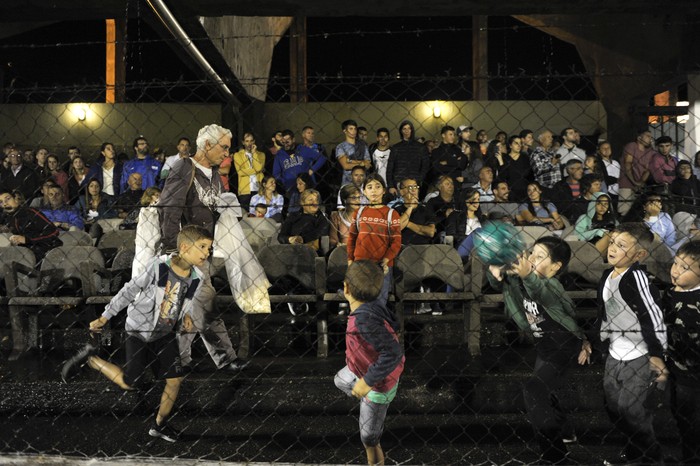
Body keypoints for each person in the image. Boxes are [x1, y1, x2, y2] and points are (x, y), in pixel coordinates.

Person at [61, 225, 213, 443]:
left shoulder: (196, 277)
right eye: (202, 247)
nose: (207, 252)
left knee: (175, 379)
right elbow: (129, 290)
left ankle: (160, 425)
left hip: (164, 333)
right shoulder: (160, 266)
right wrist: (105, 316)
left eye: (209, 248)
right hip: (139, 330)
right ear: (184, 247)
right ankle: (92, 359)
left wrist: (186, 316)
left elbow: (183, 301)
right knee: (130, 382)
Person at [160, 123, 256, 373]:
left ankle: (181, 360)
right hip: (184, 252)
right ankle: (223, 359)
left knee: (192, 307)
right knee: (201, 303)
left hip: (203, 251)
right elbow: (169, 209)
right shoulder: (184, 168)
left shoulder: (213, 173)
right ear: (207, 145)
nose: (227, 153)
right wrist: (172, 251)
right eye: (224, 148)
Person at [488, 237, 591, 464]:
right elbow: (499, 283)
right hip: (545, 345)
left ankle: (553, 453)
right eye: (532, 252)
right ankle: (565, 432)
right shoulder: (520, 279)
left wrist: (527, 276)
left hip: (563, 344)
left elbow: (539, 292)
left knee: (534, 390)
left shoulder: (552, 285)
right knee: (547, 389)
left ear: (555, 267)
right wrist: (494, 270)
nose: (532, 258)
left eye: (540, 256)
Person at [594, 223, 667, 465]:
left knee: (631, 408)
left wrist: (657, 354)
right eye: (613, 241)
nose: (613, 248)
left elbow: (652, 314)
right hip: (615, 353)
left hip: (640, 354)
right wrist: (598, 342)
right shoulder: (607, 276)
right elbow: (605, 313)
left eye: (621, 245)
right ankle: (634, 447)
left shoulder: (636, 278)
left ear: (639, 255)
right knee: (613, 405)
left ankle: (649, 455)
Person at [334, 260, 405, 466]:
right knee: (340, 380)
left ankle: (372, 410)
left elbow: (393, 353)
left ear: (345, 288)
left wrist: (367, 382)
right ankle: (367, 399)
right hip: (361, 369)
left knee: (368, 438)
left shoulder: (363, 321)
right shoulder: (374, 305)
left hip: (378, 384)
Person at [662, 240, 700, 464]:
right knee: (680, 414)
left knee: (693, 420)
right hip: (676, 368)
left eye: (684, 268)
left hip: (694, 373)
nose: (675, 271)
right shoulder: (669, 294)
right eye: (675, 264)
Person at [347, 174, 401, 306]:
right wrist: (350, 260)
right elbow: (352, 238)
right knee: (359, 302)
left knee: (379, 302)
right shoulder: (359, 213)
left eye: (378, 186)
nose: (374, 190)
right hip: (361, 265)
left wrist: (386, 259)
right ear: (364, 191)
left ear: (384, 190)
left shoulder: (391, 214)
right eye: (369, 187)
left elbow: (396, 242)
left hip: (382, 266)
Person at [0, 188, 62, 264]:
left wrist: (27, 239)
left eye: (8, 199)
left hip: (46, 251)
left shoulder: (31, 212)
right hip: (25, 253)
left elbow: (54, 232)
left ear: (16, 199)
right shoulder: (7, 218)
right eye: (1, 202)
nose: (5, 203)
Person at [278, 189, 329, 254]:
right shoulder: (292, 216)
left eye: (316, 200)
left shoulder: (322, 219)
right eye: (311, 200)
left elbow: (320, 233)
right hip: (290, 249)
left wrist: (302, 239)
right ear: (302, 203)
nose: (315, 202)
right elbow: (281, 236)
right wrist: (289, 239)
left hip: (310, 252)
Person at [386, 120, 429, 196]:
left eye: (409, 128)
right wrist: (391, 186)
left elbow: (425, 166)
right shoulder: (395, 148)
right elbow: (390, 168)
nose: (407, 131)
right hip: (399, 183)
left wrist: (419, 179)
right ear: (401, 131)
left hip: (415, 182)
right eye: (404, 128)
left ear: (412, 130)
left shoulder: (421, 147)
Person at [617, 129, 655, 217]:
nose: (650, 139)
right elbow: (628, 164)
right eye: (647, 136)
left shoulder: (649, 152)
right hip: (626, 182)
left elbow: (647, 170)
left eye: (651, 137)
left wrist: (640, 183)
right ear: (639, 138)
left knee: (637, 211)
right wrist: (635, 182)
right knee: (624, 210)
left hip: (639, 185)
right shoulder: (632, 146)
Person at [391, 177, 436, 247]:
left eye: (415, 186)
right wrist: (410, 208)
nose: (414, 190)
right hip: (402, 248)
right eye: (410, 187)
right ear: (402, 192)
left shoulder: (426, 209)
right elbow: (395, 228)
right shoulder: (396, 209)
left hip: (423, 248)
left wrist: (407, 223)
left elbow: (431, 232)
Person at [232, 132, 265, 212]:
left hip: (258, 188)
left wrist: (254, 153)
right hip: (244, 190)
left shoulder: (261, 155)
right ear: (243, 142)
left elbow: (259, 167)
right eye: (247, 141)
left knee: (259, 213)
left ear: (254, 141)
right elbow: (240, 172)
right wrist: (257, 170)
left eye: (251, 141)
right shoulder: (237, 155)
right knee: (246, 214)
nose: (249, 143)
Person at [335, 120, 371, 186]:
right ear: (344, 131)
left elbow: (367, 164)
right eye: (351, 129)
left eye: (355, 129)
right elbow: (346, 166)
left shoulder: (363, 145)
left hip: (363, 182)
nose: (353, 131)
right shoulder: (341, 147)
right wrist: (361, 163)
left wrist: (350, 161)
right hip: (347, 182)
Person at [330, 184, 362, 249]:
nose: (358, 201)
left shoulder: (365, 215)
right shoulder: (336, 217)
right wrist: (338, 244)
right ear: (345, 199)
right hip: (344, 252)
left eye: (359, 197)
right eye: (353, 198)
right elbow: (332, 239)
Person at [598, 141, 620, 205]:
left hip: (619, 191)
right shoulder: (600, 163)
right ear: (599, 151)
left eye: (608, 148)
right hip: (609, 192)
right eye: (603, 148)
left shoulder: (616, 162)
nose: (606, 150)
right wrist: (617, 180)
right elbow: (604, 177)